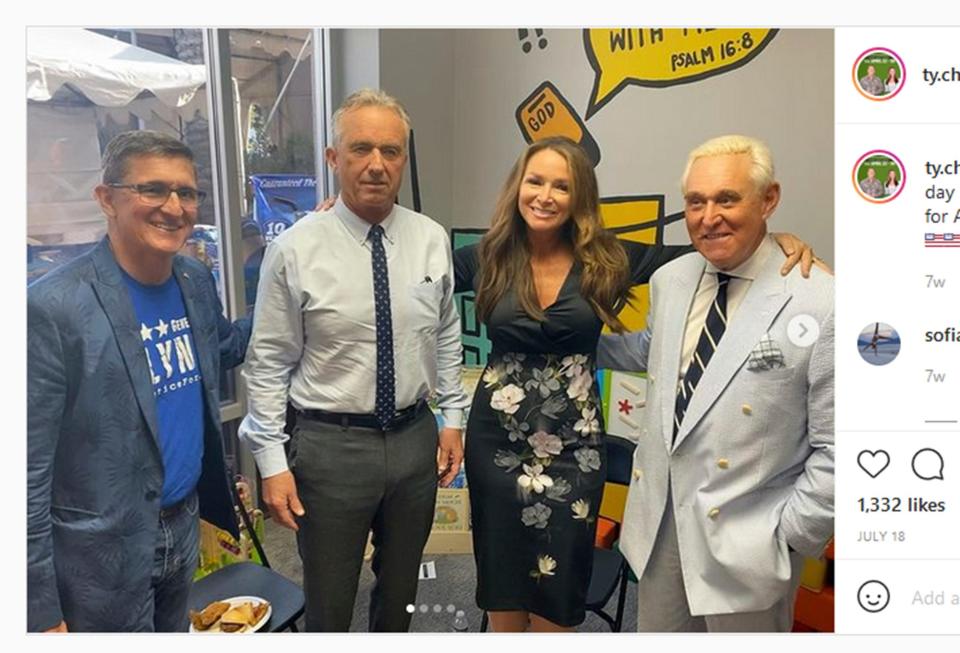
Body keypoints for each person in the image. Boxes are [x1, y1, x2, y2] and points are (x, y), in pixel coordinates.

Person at [454, 136, 817, 632]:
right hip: (495, 442)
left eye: (561, 185)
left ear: (579, 196)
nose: (545, 195)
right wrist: (338, 219)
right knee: (501, 573)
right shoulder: (486, 255)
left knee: (557, 588)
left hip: (573, 449)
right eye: (534, 181)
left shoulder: (607, 258)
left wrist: (780, 241)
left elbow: (707, 245)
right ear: (517, 186)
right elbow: (408, 270)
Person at [239, 88, 469, 632]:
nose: (375, 164)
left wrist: (452, 417)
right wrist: (271, 463)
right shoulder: (296, 248)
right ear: (333, 158)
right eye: (360, 148)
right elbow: (268, 361)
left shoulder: (430, 238)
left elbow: (446, 335)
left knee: (402, 589)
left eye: (390, 151)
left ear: (403, 159)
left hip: (415, 441)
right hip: (329, 448)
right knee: (330, 595)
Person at [598, 134, 834, 632]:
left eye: (727, 198)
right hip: (661, 531)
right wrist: (560, 340)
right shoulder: (672, 279)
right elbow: (653, 354)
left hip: (750, 544)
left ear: (769, 199)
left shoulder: (821, 302)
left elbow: (842, 447)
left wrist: (788, 536)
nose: (709, 217)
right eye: (696, 202)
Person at [27, 130, 251, 632]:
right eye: (152, 189)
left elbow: (221, 351)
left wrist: (291, 276)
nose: (174, 207)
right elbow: (23, 473)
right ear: (106, 199)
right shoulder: (52, 308)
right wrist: (37, 610)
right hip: (98, 553)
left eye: (187, 192)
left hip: (182, 525)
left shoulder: (194, 280)